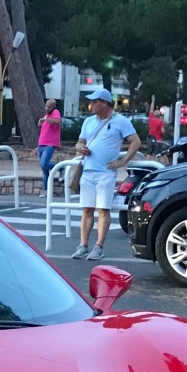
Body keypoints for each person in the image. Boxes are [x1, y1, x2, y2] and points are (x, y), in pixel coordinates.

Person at [71, 89, 140, 262]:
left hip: (106, 173)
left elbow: (135, 141)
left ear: (103, 103)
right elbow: (80, 142)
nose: (91, 105)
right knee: (87, 209)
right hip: (88, 170)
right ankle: (83, 245)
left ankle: (99, 246)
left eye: (94, 102)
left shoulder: (120, 121)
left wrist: (122, 161)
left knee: (103, 209)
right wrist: (80, 148)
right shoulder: (88, 122)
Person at [37, 99, 62, 192]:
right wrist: (41, 122)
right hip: (42, 143)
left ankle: (61, 168)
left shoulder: (55, 112)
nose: (47, 108)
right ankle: (45, 188)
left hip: (50, 143)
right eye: (46, 106)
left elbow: (57, 122)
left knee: (44, 163)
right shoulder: (46, 115)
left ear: (53, 107)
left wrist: (45, 119)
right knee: (44, 168)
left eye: (49, 107)